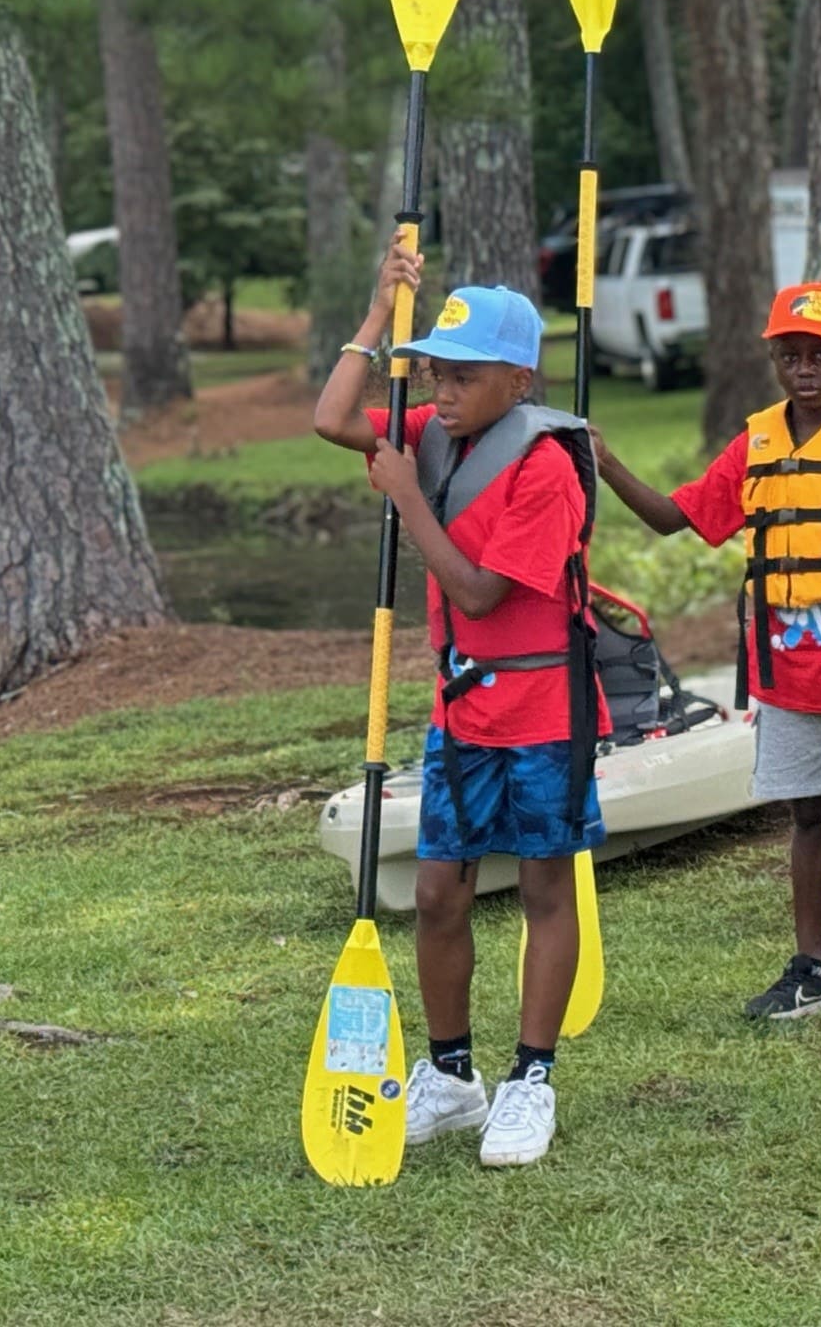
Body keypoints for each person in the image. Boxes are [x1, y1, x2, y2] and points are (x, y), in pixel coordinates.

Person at [312, 239, 609, 1168]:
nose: (439, 391)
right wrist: (375, 314)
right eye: (434, 372)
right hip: (463, 712)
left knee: (544, 887)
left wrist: (406, 500)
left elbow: (481, 594)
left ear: (517, 379)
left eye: (461, 376)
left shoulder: (549, 465)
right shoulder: (432, 435)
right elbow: (329, 419)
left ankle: (531, 1081)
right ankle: (452, 1079)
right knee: (439, 891)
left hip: (545, 715)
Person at [594, 281, 821, 1019]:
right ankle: (812, 968)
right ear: (775, 358)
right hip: (787, 673)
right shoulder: (755, 443)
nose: (805, 369)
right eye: (791, 355)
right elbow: (669, 519)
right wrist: (607, 463)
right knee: (808, 815)